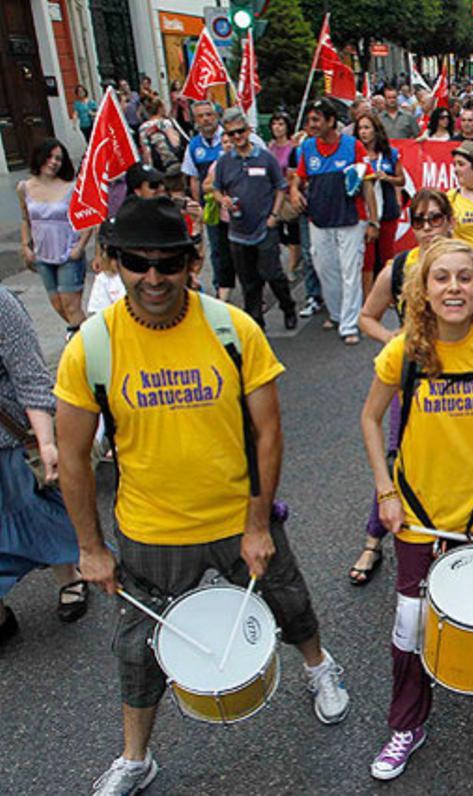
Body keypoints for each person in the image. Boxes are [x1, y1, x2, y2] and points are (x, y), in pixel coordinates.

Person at [54, 197, 351, 795]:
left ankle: (319, 667)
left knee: (289, 600)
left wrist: (259, 524)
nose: (153, 277)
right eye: (137, 263)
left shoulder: (233, 329)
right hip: (150, 530)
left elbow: (268, 433)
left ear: (192, 262)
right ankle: (136, 757)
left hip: (238, 518)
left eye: (168, 263)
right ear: (112, 262)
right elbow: (74, 457)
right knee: (138, 649)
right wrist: (90, 548)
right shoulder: (92, 346)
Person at [360, 238, 473, 780]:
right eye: (442, 278)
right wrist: (385, 491)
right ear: (423, 289)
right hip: (419, 510)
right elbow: (370, 420)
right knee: (409, 625)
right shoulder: (403, 350)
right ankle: (407, 724)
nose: (453, 287)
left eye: (465, 277)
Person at [349, 189, 454, 584]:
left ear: (449, 220)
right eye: (419, 220)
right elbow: (366, 317)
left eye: (435, 218)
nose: (427, 228)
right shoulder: (398, 268)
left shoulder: (466, 264)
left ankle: (452, 533)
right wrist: (394, 339)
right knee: (397, 460)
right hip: (410, 382)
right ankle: (373, 539)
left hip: (459, 380)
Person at [0, 286, 88, 648]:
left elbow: (30, 376)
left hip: (9, 440)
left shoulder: (2, 304)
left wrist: (47, 442)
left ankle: (69, 576)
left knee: (41, 513)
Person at [291, 98, 380, 346]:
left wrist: (373, 221)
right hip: (319, 219)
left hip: (351, 218)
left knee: (351, 271)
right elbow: (299, 177)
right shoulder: (308, 147)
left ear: (331, 121)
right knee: (325, 268)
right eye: (309, 120)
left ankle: (350, 324)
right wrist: (295, 191)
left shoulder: (353, 146)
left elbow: (368, 185)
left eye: (316, 119)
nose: (311, 124)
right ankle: (338, 314)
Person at [211, 108, 298, 331]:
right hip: (238, 230)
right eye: (231, 134)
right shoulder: (224, 162)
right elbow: (216, 189)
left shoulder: (265, 157)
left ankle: (288, 307)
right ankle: (256, 321)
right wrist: (223, 200)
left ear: (248, 130)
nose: (237, 137)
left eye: (240, 131)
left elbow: (280, 187)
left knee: (273, 274)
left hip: (264, 226)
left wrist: (274, 215)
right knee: (248, 281)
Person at [17, 139, 92, 337]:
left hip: (68, 253)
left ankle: (85, 342)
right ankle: (91, 336)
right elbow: (25, 219)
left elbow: (89, 219)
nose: (53, 162)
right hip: (43, 255)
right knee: (58, 305)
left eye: (58, 158)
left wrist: (80, 247)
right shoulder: (24, 187)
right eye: (49, 157)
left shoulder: (72, 188)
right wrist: (26, 246)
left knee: (71, 305)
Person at [182, 100, 234, 301]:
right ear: (195, 120)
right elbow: (194, 178)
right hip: (212, 208)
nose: (205, 119)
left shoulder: (230, 137)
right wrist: (199, 206)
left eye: (209, 114)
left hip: (235, 206)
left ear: (217, 116)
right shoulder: (194, 145)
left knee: (241, 249)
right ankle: (221, 289)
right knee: (217, 250)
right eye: (200, 116)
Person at [357, 112, 407, 296]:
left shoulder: (390, 153)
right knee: (367, 259)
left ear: (376, 130)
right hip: (364, 212)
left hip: (387, 211)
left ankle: (388, 295)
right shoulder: (356, 153)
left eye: (367, 128)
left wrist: (387, 178)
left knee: (386, 255)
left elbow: (401, 180)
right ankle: (368, 298)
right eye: (360, 128)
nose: (363, 132)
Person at [267, 112, 303, 277]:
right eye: (274, 124)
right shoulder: (270, 147)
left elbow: (294, 173)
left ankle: (292, 267)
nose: (277, 127)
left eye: (281, 124)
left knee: (293, 230)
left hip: (288, 194)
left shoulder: (293, 147)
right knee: (278, 232)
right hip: (273, 195)